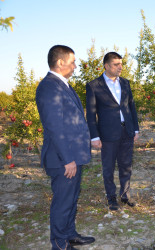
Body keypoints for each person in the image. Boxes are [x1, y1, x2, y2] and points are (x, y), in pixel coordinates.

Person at [36, 45, 95, 250]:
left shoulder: (62, 85)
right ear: (60, 62)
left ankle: (69, 235)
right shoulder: (49, 87)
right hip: (63, 159)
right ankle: (60, 244)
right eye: (73, 62)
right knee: (62, 202)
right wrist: (67, 159)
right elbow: (55, 127)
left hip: (72, 157)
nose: (75, 66)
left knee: (70, 199)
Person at [86, 52, 139, 211]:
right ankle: (111, 198)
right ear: (106, 66)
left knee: (126, 165)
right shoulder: (94, 85)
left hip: (127, 131)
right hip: (107, 134)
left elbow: (131, 107)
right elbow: (90, 114)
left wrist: (135, 128)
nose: (120, 67)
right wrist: (94, 136)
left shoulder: (125, 83)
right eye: (116, 64)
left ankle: (125, 195)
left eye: (121, 64)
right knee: (108, 168)